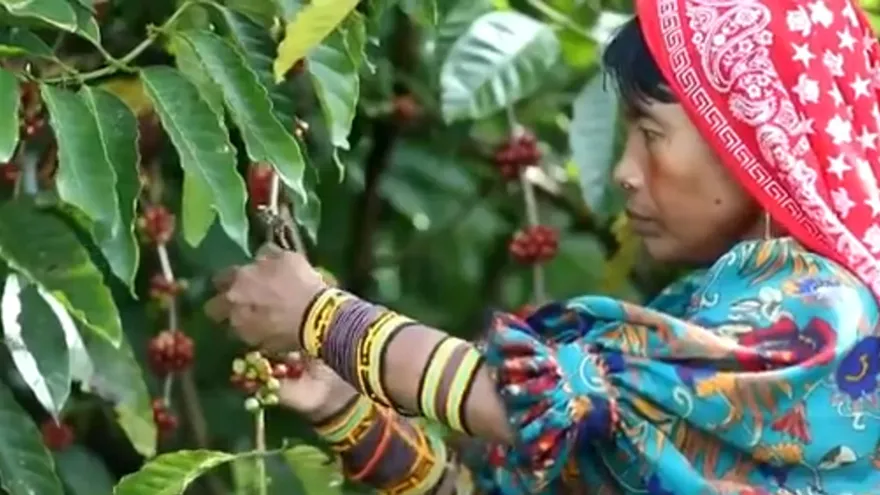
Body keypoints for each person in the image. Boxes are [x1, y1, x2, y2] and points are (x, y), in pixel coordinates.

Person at [205, 0, 880, 492]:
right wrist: (341, 405)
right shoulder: (718, 315)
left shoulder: (817, 305)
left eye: (649, 132)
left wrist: (320, 315)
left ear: (753, 140)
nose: (624, 170)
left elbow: (513, 401)